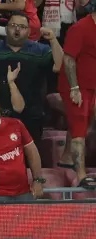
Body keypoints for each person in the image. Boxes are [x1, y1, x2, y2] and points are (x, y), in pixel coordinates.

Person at [0, 11, 64, 140]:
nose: (17, 29)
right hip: (1, 114)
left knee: (29, 154)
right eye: (13, 25)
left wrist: (53, 40)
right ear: (6, 28)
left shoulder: (40, 50)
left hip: (32, 113)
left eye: (22, 27)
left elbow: (60, 66)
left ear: (28, 31)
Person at [57, 2, 96, 188]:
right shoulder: (80, 28)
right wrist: (74, 88)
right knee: (79, 128)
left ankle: (66, 158)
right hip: (77, 87)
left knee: (84, 126)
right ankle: (81, 176)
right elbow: (68, 58)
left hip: (93, 86)